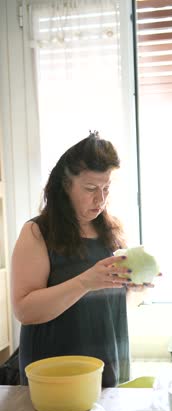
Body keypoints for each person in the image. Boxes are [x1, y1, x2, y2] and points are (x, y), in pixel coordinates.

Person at [11, 131, 155, 387]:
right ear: (65, 186)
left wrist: (136, 289)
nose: (100, 199)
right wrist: (86, 281)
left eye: (106, 188)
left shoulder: (112, 232)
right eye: (90, 189)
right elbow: (24, 310)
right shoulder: (37, 232)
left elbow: (111, 309)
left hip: (108, 366)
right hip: (55, 373)